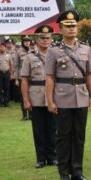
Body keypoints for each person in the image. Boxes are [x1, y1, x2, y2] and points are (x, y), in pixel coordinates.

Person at [45, 10, 91, 180]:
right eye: (68, 26)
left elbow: (89, 74)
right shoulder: (53, 51)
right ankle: (63, 172)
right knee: (63, 137)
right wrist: (50, 101)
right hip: (62, 98)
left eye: (74, 25)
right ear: (60, 29)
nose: (72, 29)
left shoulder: (86, 49)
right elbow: (50, 77)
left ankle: (77, 171)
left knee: (79, 136)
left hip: (81, 96)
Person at [20, 25, 57, 169]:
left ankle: (52, 157)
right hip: (36, 96)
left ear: (51, 39)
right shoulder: (29, 57)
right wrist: (26, 100)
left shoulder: (56, 55)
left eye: (47, 38)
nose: (45, 40)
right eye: (42, 38)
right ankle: (41, 158)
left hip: (52, 97)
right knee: (39, 129)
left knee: (52, 128)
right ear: (36, 39)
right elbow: (24, 80)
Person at [0, 42, 14, 107]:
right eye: (0, 47)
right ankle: (0, 102)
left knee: (7, 88)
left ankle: (6, 102)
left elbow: (11, 65)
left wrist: (11, 74)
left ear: (5, 47)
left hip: (6, 73)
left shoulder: (8, 55)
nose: (2, 48)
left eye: (3, 47)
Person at [18, 36, 32, 120]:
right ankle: (24, 115)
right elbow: (16, 65)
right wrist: (16, 78)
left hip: (31, 77)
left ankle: (31, 114)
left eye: (28, 41)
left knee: (31, 95)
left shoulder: (33, 50)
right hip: (22, 77)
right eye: (25, 41)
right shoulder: (19, 51)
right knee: (23, 96)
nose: (27, 43)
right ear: (23, 42)